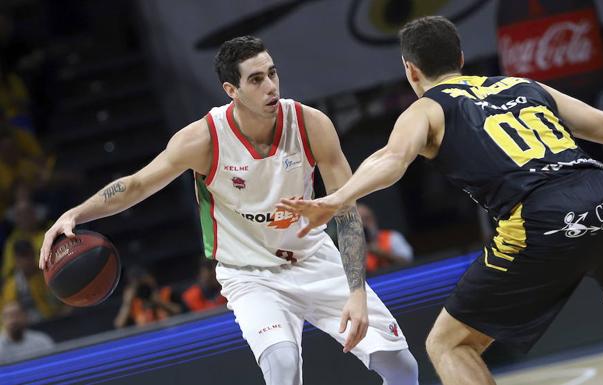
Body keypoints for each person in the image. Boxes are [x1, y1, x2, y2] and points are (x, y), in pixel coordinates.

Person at [39, 36, 419, 385]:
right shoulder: (202, 139)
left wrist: (356, 292)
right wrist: (75, 214)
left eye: (272, 73)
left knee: (402, 365)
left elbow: (347, 211)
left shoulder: (311, 124)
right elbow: (137, 185)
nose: (271, 86)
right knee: (283, 365)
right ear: (231, 90)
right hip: (249, 274)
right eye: (256, 80)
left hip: (314, 259)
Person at [278, 16, 603, 385]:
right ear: (460, 56)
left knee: (449, 344)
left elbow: (392, 159)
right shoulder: (522, 84)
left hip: (543, 217)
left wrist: (337, 198)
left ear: (411, 71)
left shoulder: (427, 108)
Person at [2, 239, 61, 323]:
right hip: (26, 327)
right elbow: (9, 314)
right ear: (16, 260)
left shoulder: (47, 274)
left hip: (53, 320)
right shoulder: (11, 285)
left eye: (31, 255)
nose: (28, 260)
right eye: (23, 256)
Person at [114, 266, 184, 329]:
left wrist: (159, 301)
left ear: (151, 279)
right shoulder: (134, 304)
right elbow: (119, 325)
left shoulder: (166, 293)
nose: (143, 289)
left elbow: (183, 313)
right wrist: (127, 303)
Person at [357, 203, 414, 272]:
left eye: (366, 219)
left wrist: (382, 254)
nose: (364, 224)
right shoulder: (350, 248)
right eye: (358, 221)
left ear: (374, 218)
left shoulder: (392, 237)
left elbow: (408, 262)